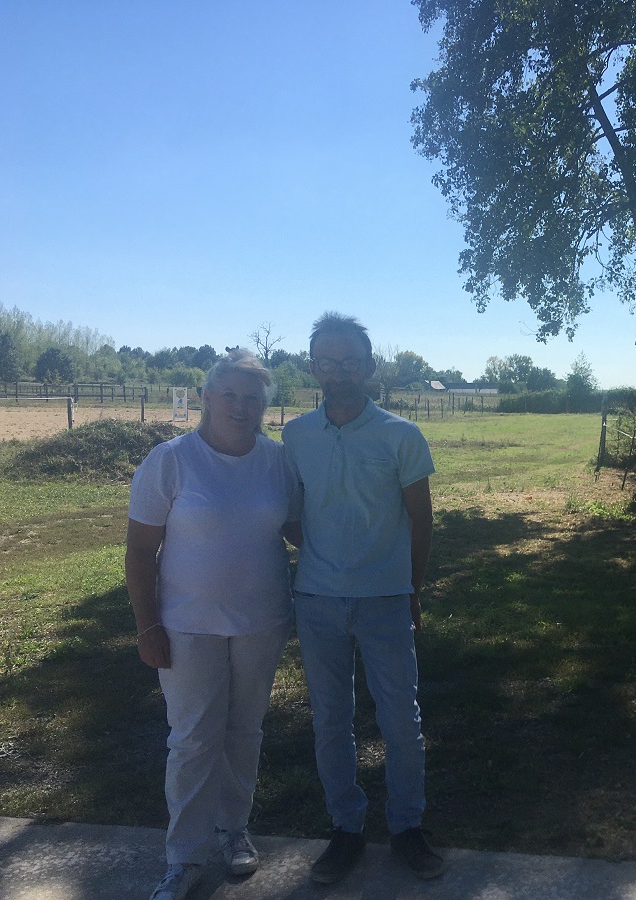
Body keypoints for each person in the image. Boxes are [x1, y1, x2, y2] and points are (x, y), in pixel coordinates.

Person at [126, 349, 298, 900]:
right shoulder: (170, 461)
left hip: (261, 621)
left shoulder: (276, 461)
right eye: (231, 395)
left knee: (244, 731)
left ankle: (234, 831)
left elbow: (300, 530)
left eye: (253, 398)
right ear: (206, 397)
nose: (241, 407)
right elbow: (139, 551)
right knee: (194, 738)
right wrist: (147, 626)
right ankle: (182, 858)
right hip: (185, 626)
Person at [281, 311, 440, 884]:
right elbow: (289, 513)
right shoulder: (295, 435)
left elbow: (421, 522)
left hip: (385, 600)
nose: (339, 372)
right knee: (330, 720)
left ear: (369, 368)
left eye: (350, 362)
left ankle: (407, 829)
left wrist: (411, 587)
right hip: (317, 601)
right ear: (313, 366)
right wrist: (325, 554)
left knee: (400, 718)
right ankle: (345, 830)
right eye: (328, 361)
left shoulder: (401, 435)